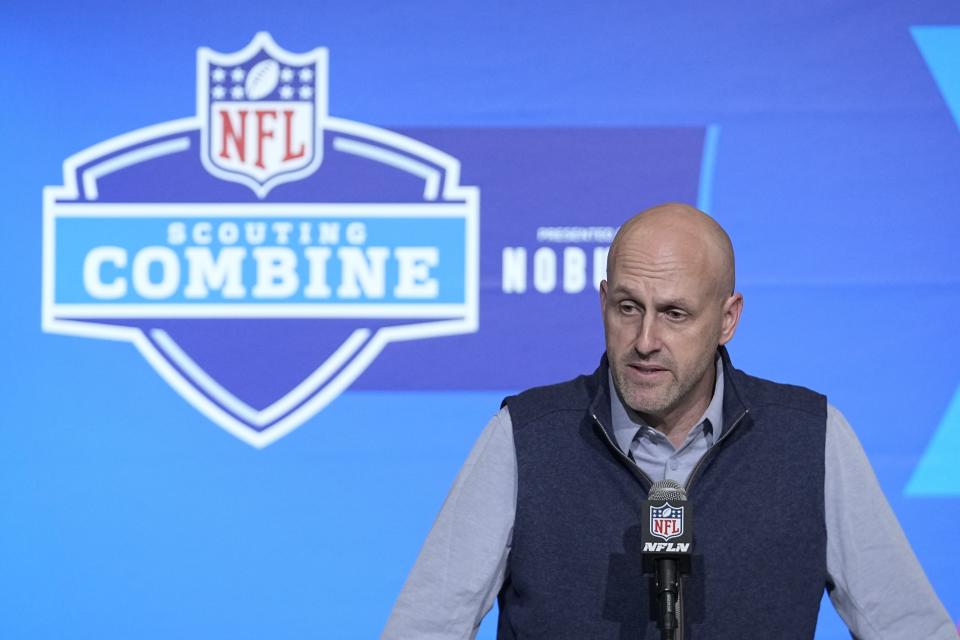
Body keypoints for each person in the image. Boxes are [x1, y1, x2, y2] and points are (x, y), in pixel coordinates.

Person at [382, 203, 956, 639]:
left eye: (675, 313)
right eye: (627, 307)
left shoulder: (809, 436)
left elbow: (908, 625)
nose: (645, 341)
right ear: (602, 300)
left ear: (728, 318)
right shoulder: (526, 437)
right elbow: (423, 627)